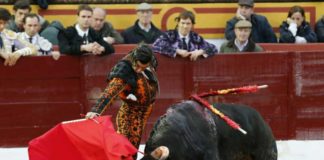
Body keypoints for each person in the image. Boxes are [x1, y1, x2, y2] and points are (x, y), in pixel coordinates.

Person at [85, 44, 159, 157]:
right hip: (130, 115)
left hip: (144, 113)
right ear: (134, 59)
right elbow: (110, 92)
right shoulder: (125, 69)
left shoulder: (150, 59)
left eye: (143, 68)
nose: (139, 70)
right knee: (127, 151)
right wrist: (96, 110)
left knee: (131, 148)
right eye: (137, 66)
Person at [152, 10, 218, 61]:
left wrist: (200, 52)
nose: (185, 26)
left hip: (190, 72)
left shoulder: (195, 38)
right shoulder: (170, 35)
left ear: (192, 25)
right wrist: (176, 51)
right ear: (178, 23)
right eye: (183, 23)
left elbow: (214, 48)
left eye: (188, 23)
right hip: (172, 71)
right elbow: (155, 46)